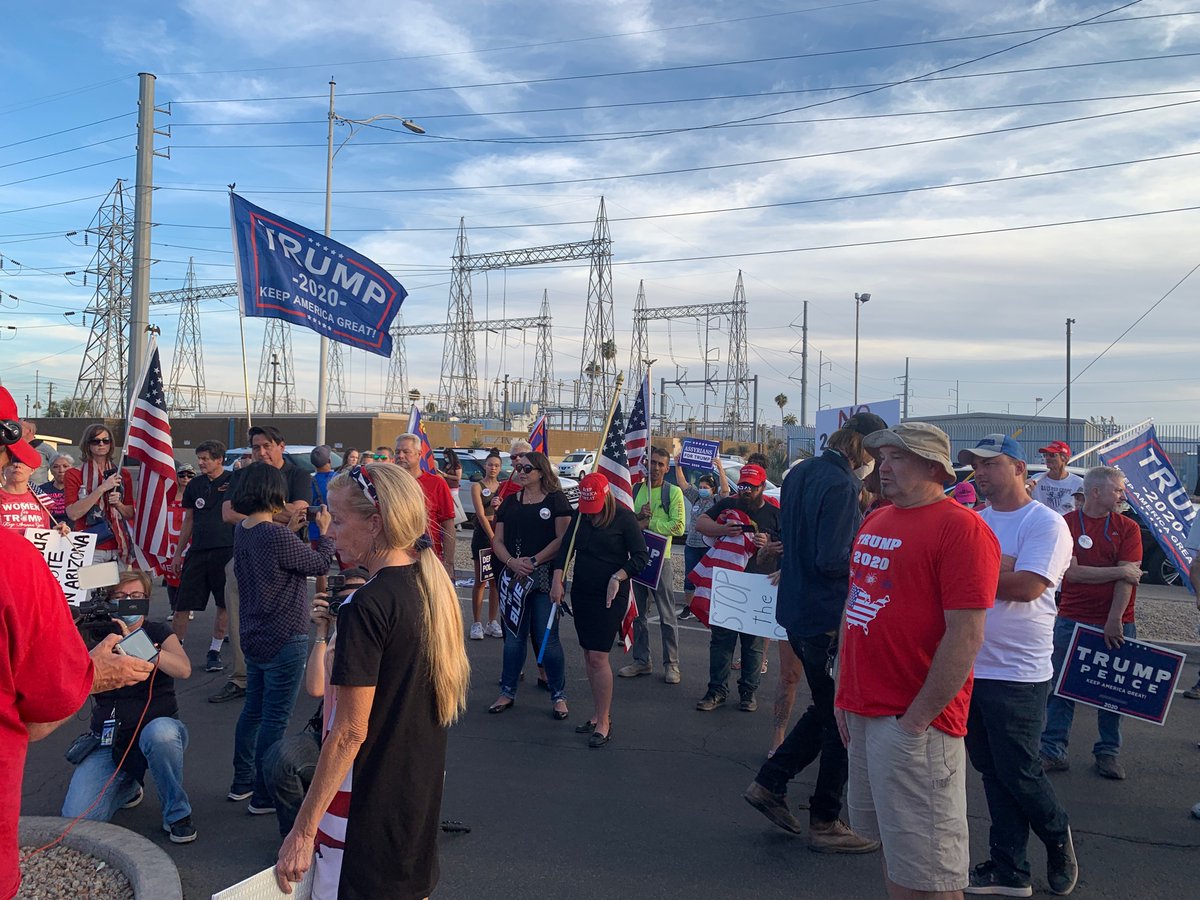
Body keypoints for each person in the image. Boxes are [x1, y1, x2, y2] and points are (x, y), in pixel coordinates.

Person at [273, 464, 470, 897]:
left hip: (366, 806)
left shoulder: (365, 605)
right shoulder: (429, 585)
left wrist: (302, 831)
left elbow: (348, 731)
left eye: (340, 521)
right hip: (414, 794)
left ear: (376, 524)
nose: (332, 532)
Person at [834, 422, 1001, 898]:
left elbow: (965, 637)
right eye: (881, 457)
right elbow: (855, 607)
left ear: (934, 467)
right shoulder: (878, 519)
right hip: (864, 710)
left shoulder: (962, 529)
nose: (882, 467)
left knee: (931, 868)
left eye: (897, 458)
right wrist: (843, 693)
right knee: (898, 849)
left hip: (915, 722)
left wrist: (916, 721)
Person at [0, 387, 155, 898]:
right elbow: (40, 713)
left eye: (108, 443)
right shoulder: (67, 483)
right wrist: (88, 673)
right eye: (97, 442)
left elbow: (90, 533)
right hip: (55, 578)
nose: (102, 448)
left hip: (97, 565)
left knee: (117, 617)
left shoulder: (56, 500)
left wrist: (120, 504)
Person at [744, 413, 886, 854]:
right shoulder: (842, 485)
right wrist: (875, 566)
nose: (877, 464)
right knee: (841, 716)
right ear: (862, 446)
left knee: (828, 710)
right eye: (876, 454)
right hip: (825, 615)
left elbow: (792, 540)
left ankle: (771, 783)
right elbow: (831, 559)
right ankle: (824, 818)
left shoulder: (801, 470)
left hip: (796, 607)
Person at [958, 434, 1077, 897]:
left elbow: (1028, 586)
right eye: (976, 466)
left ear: (1020, 468)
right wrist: (999, 567)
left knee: (1021, 770)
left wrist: (983, 573)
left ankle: (1057, 834)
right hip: (971, 662)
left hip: (1018, 671)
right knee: (991, 769)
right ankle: (1010, 867)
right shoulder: (975, 521)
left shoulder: (1046, 523)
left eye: (991, 464)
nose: (981, 473)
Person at [227, 462, 335, 814]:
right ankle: (263, 794)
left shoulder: (246, 529)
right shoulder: (275, 535)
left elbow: (281, 560)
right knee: (275, 719)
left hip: (254, 631)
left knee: (252, 712)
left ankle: (242, 782)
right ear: (274, 492)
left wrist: (292, 529)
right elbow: (318, 564)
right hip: (284, 633)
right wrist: (326, 532)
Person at [61, 569, 197, 842]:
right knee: (76, 820)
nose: (129, 602)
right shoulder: (97, 634)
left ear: (146, 599)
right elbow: (64, 670)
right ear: (109, 599)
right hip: (108, 738)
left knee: (161, 735)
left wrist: (140, 645)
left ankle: (177, 813)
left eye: (136, 596)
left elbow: (183, 669)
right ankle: (128, 784)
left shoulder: (157, 630)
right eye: (121, 596)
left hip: (157, 730)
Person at [1040, 465, 1143, 781]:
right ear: (1096, 492)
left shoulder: (1128, 528)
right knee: (1061, 688)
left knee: (1112, 692)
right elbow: (1072, 573)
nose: (1123, 495)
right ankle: (1053, 750)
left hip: (1117, 622)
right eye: (1118, 490)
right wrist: (1119, 571)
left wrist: (1114, 620)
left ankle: (1108, 753)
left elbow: (1130, 579)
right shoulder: (1066, 524)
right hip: (1072, 618)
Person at [263, 566, 369, 838]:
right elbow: (314, 687)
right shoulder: (335, 637)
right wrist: (323, 631)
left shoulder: (373, 633)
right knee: (280, 758)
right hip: (326, 732)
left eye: (355, 597)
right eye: (341, 599)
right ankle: (296, 836)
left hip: (362, 739)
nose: (347, 605)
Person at [213, 425, 314, 704]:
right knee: (237, 601)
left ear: (281, 446)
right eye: (256, 447)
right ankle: (242, 676)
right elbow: (228, 513)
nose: (261, 452)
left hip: (289, 549)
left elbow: (302, 511)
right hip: (247, 550)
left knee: (286, 609)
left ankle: (281, 667)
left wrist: (257, 512)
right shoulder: (242, 475)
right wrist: (279, 511)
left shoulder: (298, 475)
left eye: (267, 446)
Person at [552, 473, 648, 748]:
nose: (591, 515)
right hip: (583, 591)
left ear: (606, 497)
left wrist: (619, 576)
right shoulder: (581, 516)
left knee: (598, 656)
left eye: (594, 510)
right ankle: (596, 714)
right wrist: (558, 579)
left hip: (610, 593)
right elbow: (565, 550)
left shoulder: (624, 518)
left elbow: (641, 556)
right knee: (588, 651)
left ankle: (605, 720)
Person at [488, 451, 573, 718]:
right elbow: (497, 540)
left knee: (547, 641)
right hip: (513, 578)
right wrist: (512, 562)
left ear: (540, 472)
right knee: (513, 640)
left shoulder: (557, 500)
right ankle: (507, 690)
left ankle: (558, 695)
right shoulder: (510, 503)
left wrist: (534, 560)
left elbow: (563, 539)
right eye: (519, 467)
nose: (521, 472)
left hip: (545, 579)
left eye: (527, 468)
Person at [694, 464, 781, 712]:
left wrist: (768, 544)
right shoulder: (729, 504)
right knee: (721, 640)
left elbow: (787, 545)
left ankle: (748, 692)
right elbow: (701, 523)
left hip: (757, 582)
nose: (745, 491)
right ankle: (716, 691)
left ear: (763, 487)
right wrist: (723, 529)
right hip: (727, 582)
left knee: (752, 644)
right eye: (742, 485)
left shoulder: (775, 513)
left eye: (751, 487)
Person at [618, 446, 686, 684]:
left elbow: (678, 527)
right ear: (646, 465)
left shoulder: (673, 492)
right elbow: (627, 522)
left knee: (667, 615)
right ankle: (641, 660)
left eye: (660, 464)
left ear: (667, 468)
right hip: (636, 559)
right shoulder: (636, 490)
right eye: (652, 463)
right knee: (638, 614)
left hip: (661, 560)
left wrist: (650, 521)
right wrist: (638, 517)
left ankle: (672, 664)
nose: (655, 468)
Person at [171, 441, 233, 671]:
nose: (201, 462)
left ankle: (214, 651)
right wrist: (178, 553)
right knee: (182, 604)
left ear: (219, 460)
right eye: (200, 458)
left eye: (206, 458)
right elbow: (189, 519)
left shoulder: (232, 481)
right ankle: (175, 650)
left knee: (223, 603)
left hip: (226, 550)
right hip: (197, 551)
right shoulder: (195, 484)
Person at [64, 423, 134, 563]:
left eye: (105, 440)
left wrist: (118, 504)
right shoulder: (74, 474)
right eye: (95, 441)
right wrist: (102, 488)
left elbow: (130, 513)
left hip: (119, 545)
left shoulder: (122, 474)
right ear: (87, 444)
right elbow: (73, 513)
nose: (101, 444)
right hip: (89, 545)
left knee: (118, 585)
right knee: (90, 585)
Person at [674, 455, 730, 621]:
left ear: (712, 489)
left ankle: (707, 608)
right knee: (690, 577)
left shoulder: (716, 500)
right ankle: (690, 607)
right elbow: (683, 484)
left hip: (709, 545)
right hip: (691, 544)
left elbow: (726, 491)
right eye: (700, 486)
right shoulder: (696, 497)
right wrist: (678, 465)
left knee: (708, 577)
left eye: (706, 487)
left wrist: (720, 468)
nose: (702, 489)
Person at [394, 433, 456, 577]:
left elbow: (448, 525)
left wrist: (448, 563)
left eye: (406, 452)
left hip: (428, 559)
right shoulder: (389, 484)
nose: (400, 456)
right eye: (397, 452)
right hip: (395, 560)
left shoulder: (437, 483)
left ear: (419, 454)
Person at [469, 450, 504, 640]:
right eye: (490, 465)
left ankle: (492, 621)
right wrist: (492, 537)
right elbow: (481, 514)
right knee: (481, 580)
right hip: (484, 536)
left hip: (499, 536)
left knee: (495, 582)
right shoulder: (477, 486)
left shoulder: (503, 487)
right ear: (485, 466)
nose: (493, 468)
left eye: (497, 465)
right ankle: (477, 623)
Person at [0, 456, 58, 532]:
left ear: (32, 470)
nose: (17, 465)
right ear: (3, 468)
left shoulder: (41, 499)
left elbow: (45, 531)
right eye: (12, 462)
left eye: (24, 462)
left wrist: (57, 533)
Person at [1031, 441, 1084, 516]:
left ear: (1065, 458)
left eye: (1052, 455)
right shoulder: (1036, 480)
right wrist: (1026, 492)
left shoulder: (1079, 483)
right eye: (1045, 455)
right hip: (1041, 523)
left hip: (1067, 525)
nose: (1047, 458)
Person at [37, 452, 74, 525]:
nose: (61, 470)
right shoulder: (40, 490)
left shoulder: (78, 489)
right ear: (50, 470)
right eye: (56, 467)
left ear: (72, 469)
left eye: (65, 466)